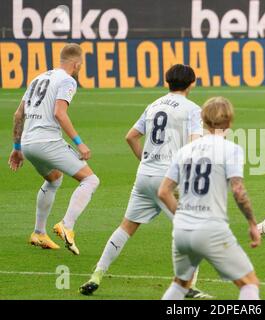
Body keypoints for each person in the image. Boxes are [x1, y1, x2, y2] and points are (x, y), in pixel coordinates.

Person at [79, 64, 211, 299]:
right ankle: (187, 286)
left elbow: (130, 136)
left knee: (126, 227)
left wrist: (145, 159)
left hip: (144, 175)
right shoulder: (192, 110)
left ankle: (97, 274)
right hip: (168, 180)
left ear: (166, 82)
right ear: (192, 83)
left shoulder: (154, 105)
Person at [159, 97, 261, 300]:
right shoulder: (231, 150)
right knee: (249, 283)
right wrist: (251, 223)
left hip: (181, 231)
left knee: (180, 284)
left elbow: (163, 191)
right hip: (211, 229)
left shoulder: (184, 151)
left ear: (203, 120)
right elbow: (239, 191)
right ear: (229, 122)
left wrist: (182, 216)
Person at [8, 43, 100, 255]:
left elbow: (17, 115)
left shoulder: (37, 78)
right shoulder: (68, 80)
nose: (80, 68)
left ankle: (39, 233)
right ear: (76, 64)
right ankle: (66, 225)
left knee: (54, 179)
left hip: (29, 144)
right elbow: (60, 112)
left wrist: (17, 147)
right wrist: (79, 142)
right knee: (91, 180)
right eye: (81, 65)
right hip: (47, 141)